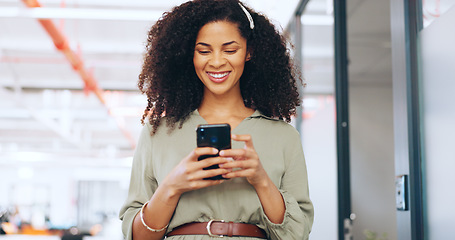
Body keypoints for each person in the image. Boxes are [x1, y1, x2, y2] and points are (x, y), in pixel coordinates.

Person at [119, 0, 314, 239]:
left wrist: (261, 180)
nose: (217, 61)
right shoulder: (157, 133)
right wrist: (172, 187)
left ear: (249, 51)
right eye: (203, 51)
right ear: (188, 54)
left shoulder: (284, 137)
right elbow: (136, 236)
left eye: (230, 50)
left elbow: (298, 234)